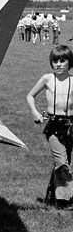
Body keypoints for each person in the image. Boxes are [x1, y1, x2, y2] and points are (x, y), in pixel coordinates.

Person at [27, 44, 73, 207]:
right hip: (54, 126)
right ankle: (64, 200)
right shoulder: (47, 79)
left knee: (65, 162)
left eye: (62, 61)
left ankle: (51, 194)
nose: (58, 64)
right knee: (61, 162)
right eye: (55, 61)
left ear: (70, 63)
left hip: (71, 126)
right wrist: (35, 112)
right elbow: (30, 96)